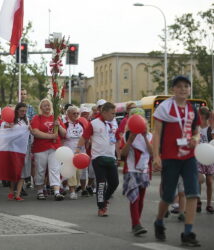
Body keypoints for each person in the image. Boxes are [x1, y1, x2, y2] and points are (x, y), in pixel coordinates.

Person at [152, 76, 201, 247]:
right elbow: (157, 133)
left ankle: (188, 232)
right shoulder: (164, 109)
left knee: (193, 193)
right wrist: (156, 156)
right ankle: (159, 221)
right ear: (173, 89)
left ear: (189, 89)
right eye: (179, 86)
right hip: (170, 157)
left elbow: (196, 131)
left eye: (186, 86)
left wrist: (195, 138)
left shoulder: (192, 109)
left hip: (189, 156)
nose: (183, 89)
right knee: (167, 195)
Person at [76, 102, 119, 217]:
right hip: (98, 157)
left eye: (115, 113)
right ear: (104, 112)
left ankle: (105, 199)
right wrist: (77, 150)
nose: (114, 116)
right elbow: (84, 137)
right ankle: (101, 207)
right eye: (112, 113)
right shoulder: (94, 123)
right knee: (101, 183)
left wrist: (118, 155)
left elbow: (116, 140)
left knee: (115, 182)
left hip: (111, 157)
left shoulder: (113, 124)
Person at [120, 108, 152, 236]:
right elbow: (123, 154)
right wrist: (130, 140)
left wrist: (144, 137)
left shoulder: (150, 135)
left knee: (141, 199)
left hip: (144, 169)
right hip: (131, 169)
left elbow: (152, 153)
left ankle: (137, 222)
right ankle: (136, 224)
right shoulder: (126, 135)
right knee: (134, 197)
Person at [31, 98, 66, 201]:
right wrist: (51, 137)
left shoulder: (56, 118)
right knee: (40, 170)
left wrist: (58, 126)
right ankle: (40, 191)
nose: (47, 107)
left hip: (54, 147)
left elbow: (64, 134)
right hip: (41, 148)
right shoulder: (37, 118)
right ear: (41, 108)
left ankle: (56, 191)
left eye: (48, 105)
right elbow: (35, 132)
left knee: (55, 169)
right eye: (45, 105)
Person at [2, 103, 32, 201]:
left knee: (22, 171)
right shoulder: (11, 120)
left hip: (24, 149)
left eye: (25, 111)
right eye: (21, 111)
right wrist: (8, 128)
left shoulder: (26, 120)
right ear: (16, 111)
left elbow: (30, 134)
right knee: (14, 170)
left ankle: (18, 194)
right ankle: (11, 190)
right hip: (13, 149)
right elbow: (3, 131)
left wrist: (30, 130)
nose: (23, 113)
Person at [63, 106, 86, 200]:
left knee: (78, 173)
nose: (76, 115)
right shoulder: (65, 124)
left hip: (80, 151)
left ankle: (69, 186)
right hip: (69, 151)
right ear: (68, 114)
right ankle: (72, 191)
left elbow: (86, 137)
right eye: (74, 113)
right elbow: (62, 137)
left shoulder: (81, 124)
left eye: (77, 113)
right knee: (72, 171)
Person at [196, 106, 214, 214]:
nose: (201, 119)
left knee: (209, 181)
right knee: (198, 180)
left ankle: (209, 204)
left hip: (209, 156)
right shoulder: (196, 128)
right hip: (198, 157)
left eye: (203, 116)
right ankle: (198, 201)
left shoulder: (210, 129)